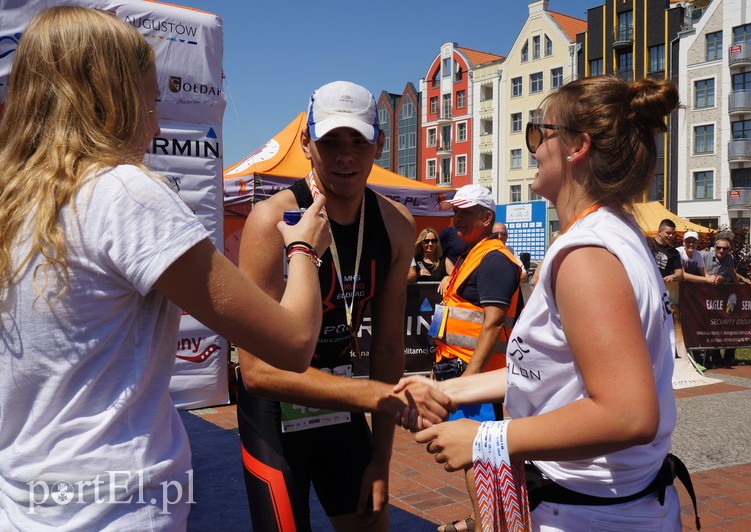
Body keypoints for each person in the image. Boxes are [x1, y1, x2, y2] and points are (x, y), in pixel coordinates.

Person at [0, 7, 332, 530]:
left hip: (26, 499)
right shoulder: (122, 192)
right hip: (115, 503)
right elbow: (290, 344)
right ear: (110, 98)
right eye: (151, 99)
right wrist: (304, 250)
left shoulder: (14, 202)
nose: (155, 124)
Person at [398, 76, 693, 531]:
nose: (532, 146)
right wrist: (450, 390)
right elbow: (548, 371)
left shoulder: (586, 255)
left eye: (538, 132)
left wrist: (487, 438)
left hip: (586, 514)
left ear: (577, 147)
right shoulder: (611, 233)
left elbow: (628, 413)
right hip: (605, 505)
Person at [235, 80, 454, 532]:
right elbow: (256, 371)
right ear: (306, 143)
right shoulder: (270, 221)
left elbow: (389, 350)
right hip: (274, 411)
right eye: (330, 140)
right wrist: (377, 396)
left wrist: (381, 462)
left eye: (359, 140)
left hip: (341, 404)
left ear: (381, 144)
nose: (345, 156)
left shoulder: (396, 225)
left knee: (373, 524)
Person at [431, 185, 523, 532]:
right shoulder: (474, 253)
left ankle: (488, 525)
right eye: (456, 211)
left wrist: (470, 378)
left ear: (487, 218)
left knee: (477, 455)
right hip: (463, 371)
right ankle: (483, 520)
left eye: (466, 212)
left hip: (479, 378)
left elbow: (493, 322)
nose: (457, 218)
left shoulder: (494, 259)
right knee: (478, 456)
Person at [704, 234, 751, 367]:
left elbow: (732, 274)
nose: (721, 250)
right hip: (708, 297)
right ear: (714, 247)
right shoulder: (705, 256)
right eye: (718, 247)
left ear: (729, 249)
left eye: (725, 248)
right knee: (713, 326)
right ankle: (715, 356)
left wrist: (740, 284)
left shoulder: (730, 258)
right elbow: (700, 272)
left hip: (726, 296)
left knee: (732, 325)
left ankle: (729, 357)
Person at [648, 218, 684, 284]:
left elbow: (679, 272)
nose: (671, 236)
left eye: (673, 233)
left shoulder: (673, 252)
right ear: (659, 232)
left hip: (661, 286)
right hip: (646, 283)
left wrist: (672, 276)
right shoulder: (647, 243)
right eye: (668, 233)